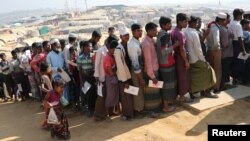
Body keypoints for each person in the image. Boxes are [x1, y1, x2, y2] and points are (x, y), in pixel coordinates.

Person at [185, 16, 218, 98]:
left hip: (190, 59)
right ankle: (208, 92)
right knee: (210, 71)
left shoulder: (186, 31)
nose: (197, 24)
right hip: (196, 58)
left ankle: (195, 92)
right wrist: (204, 60)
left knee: (194, 76)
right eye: (196, 23)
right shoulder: (193, 33)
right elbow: (198, 49)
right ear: (192, 23)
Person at [157, 16, 179, 112]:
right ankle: (166, 107)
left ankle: (167, 104)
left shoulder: (161, 34)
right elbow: (164, 51)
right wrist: (175, 45)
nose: (170, 25)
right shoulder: (165, 35)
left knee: (167, 85)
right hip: (166, 64)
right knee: (167, 86)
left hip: (163, 63)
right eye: (169, 24)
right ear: (163, 25)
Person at [93, 35, 118, 121]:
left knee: (109, 96)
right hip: (101, 77)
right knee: (101, 97)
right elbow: (96, 64)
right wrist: (96, 77)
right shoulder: (100, 51)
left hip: (108, 77)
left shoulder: (110, 51)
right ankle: (98, 114)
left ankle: (109, 112)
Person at [171, 13, 193, 103]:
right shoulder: (180, 33)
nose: (186, 24)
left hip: (176, 56)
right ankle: (182, 97)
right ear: (179, 22)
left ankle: (181, 95)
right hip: (181, 57)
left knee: (180, 76)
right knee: (183, 77)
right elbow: (182, 49)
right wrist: (186, 61)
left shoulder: (174, 31)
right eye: (185, 22)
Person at [141, 22, 161, 116]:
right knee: (150, 94)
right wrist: (152, 76)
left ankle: (156, 109)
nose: (156, 32)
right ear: (148, 31)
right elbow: (148, 62)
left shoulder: (151, 40)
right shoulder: (146, 44)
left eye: (156, 30)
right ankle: (150, 111)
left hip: (154, 69)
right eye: (153, 30)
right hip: (151, 72)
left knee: (155, 92)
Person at [114, 28, 133, 120]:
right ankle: (126, 114)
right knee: (125, 97)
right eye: (125, 35)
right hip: (123, 77)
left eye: (128, 35)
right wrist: (125, 80)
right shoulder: (118, 49)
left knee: (129, 96)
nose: (127, 37)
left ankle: (130, 113)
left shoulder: (127, 45)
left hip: (129, 75)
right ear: (121, 36)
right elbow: (120, 66)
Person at [44, 75, 70, 140]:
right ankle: (58, 133)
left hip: (59, 111)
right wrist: (47, 111)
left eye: (63, 88)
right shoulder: (50, 93)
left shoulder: (60, 93)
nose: (62, 89)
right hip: (52, 111)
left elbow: (64, 103)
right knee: (57, 123)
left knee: (63, 122)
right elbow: (45, 102)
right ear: (55, 87)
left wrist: (61, 96)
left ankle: (62, 133)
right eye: (61, 87)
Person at [128, 23, 146, 117]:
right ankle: (138, 110)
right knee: (137, 90)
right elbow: (135, 64)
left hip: (139, 69)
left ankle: (140, 108)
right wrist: (140, 78)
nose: (140, 32)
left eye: (141, 30)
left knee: (139, 90)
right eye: (138, 31)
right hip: (136, 71)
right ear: (133, 32)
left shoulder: (136, 42)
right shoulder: (133, 45)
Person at [207, 12, 227, 93]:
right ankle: (216, 87)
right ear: (222, 21)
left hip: (209, 50)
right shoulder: (216, 29)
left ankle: (209, 87)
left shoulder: (210, 26)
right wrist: (218, 48)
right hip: (215, 50)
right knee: (218, 70)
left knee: (210, 69)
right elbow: (216, 42)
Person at [77, 41, 97, 117]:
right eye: (88, 46)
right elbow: (80, 71)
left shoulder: (93, 56)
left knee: (93, 93)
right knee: (87, 94)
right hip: (85, 78)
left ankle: (94, 108)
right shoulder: (80, 58)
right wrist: (82, 82)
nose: (90, 48)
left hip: (92, 77)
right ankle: (88, 110)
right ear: (84, 48)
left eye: (91, 46)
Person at [229, 8, 246, 85]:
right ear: (238, 15)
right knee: (240, 62)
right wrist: (243, 50)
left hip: (231, 44)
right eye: (241, 15)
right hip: (237, 45)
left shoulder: (230, 23)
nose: (242, 17)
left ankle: (234, 79)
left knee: (234, 62)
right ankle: (237, 79)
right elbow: (240, 38)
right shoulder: (238, 25)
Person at [103, 40, 120, 118]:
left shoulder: (111, 56)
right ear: (112, 49)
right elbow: (110, 72)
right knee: (110, 97)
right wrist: (116, 70)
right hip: (110, 79)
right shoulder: (107, 58)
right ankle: (106, 114)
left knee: (115, 96)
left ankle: (112, 112)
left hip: (112, 78)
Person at [220, 13, 234, 89]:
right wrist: (230, 38)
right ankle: (224, 85)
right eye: (228, 18)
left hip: (226, 53)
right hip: (226, 53)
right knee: (225, 69)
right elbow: (225, 44)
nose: (230, 20)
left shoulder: (225, 28)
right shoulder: (224, 30)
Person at [40, 63, 53, 129]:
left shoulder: (46, 75)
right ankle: (47, 124)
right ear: (46, 69)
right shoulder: (44, 77)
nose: (49, 69)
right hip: (47, 96)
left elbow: (49, 84)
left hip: (48, 95)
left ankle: (47, 124)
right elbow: (42, 87)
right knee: (48, 110)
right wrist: (49, 91)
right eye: (48, 68)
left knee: (49, 110)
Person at [241, 19, 250, 84]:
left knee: (242, 65)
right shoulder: (247, 33)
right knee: (247, 65)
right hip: (247, 50)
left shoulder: (240, 31)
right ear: (245, 24)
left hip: (240, 50)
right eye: (248, 24)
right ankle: (246, 80)